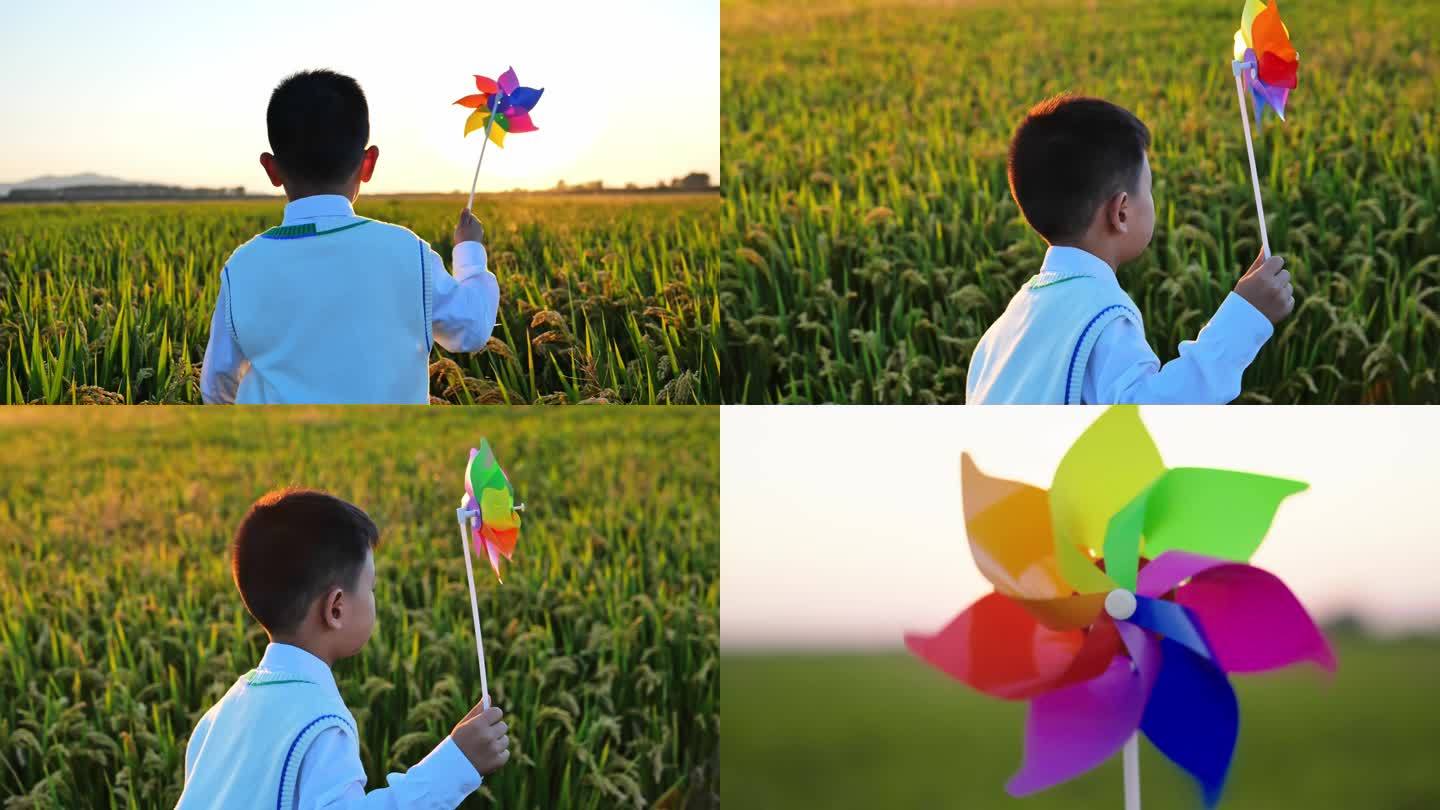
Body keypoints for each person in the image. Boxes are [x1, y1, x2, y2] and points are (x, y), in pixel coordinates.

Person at [176, 489, 510, 809]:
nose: (375, 598)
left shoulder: (216, 717)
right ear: (335, 608)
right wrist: (456, 765)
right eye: (372, 588)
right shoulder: (321, 723)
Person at [966, 94, 1294, 404]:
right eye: (1148, 189)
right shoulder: (1101, 314)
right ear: (1121, 212)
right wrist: (1245, 318)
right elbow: (1148, 416)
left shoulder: (1002, 333)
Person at [201, 69, 499, 404]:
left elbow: (217, 385)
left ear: (271, 169)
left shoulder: (242, 266)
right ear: (368, 163)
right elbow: (470, 330)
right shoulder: (407, 252)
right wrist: (469, 251)